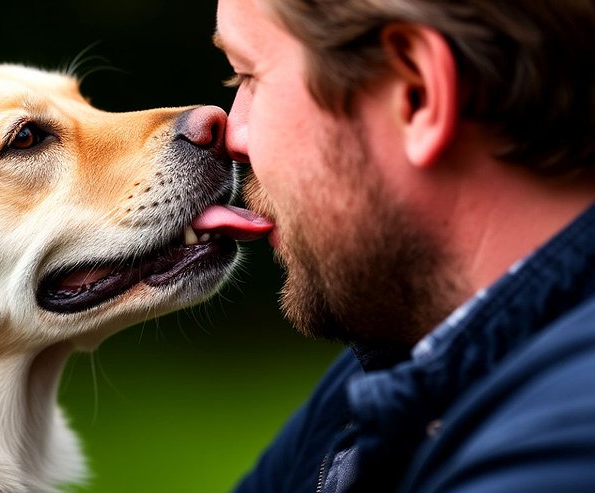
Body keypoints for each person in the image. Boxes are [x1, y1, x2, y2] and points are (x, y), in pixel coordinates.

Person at [213, 0, 595, 491]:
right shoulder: (400, 359)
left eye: (250, 75)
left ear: (418, 94)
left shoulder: (560, 453)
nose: (231, 135)